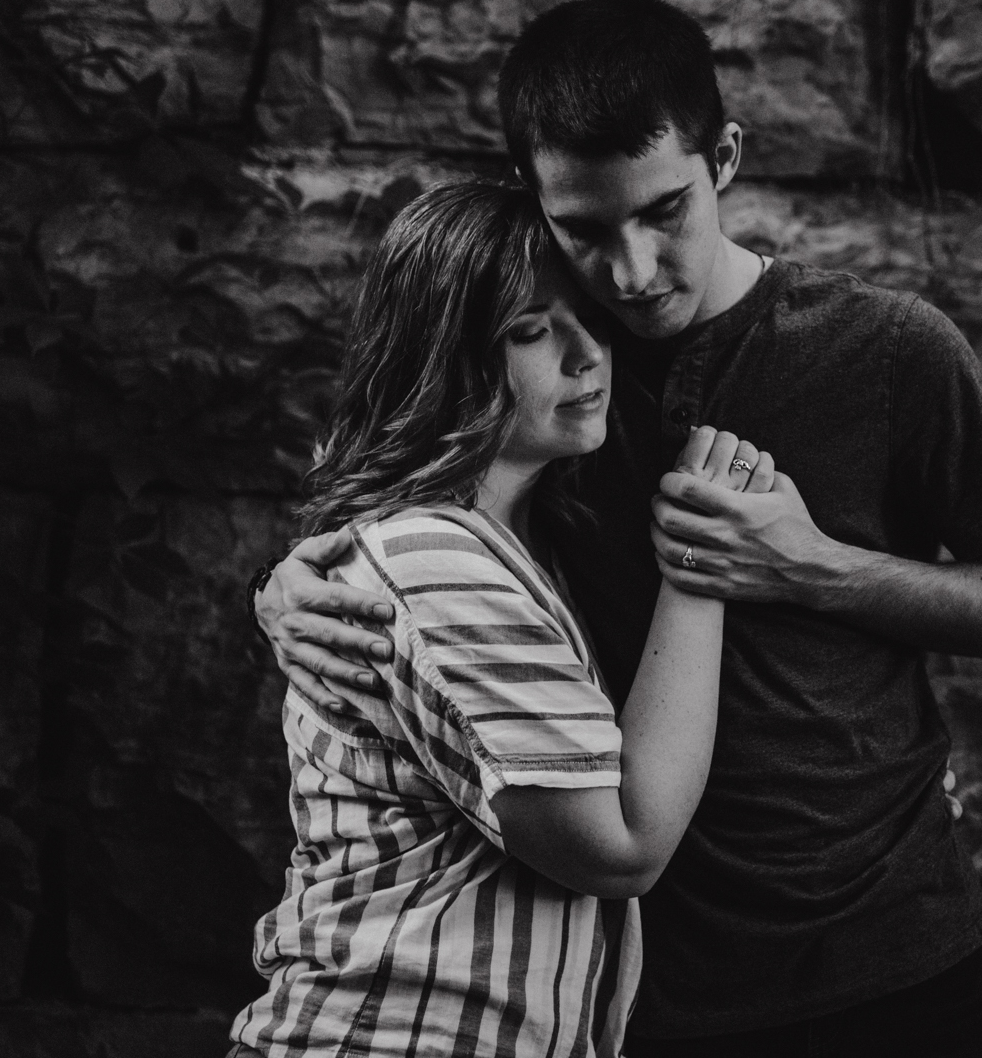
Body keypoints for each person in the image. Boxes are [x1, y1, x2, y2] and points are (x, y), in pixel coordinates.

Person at [254, 0, 982, 1056]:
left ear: (724, 158)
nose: (632, 273)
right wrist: (289, 584)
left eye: (664, 212)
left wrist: (806, 565)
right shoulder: (538, 368)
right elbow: (411, 502)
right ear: (533, 200)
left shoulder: (886, 348)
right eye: (585, 230)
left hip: (885, 948)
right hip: (633, 982)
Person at [229, 179, 774, 1058]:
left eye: (587, 314)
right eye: (529, 331)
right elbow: (620, 846)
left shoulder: (542, 532)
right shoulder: (436, 560)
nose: (587, 353)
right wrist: (701, 557)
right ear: (443, 359)